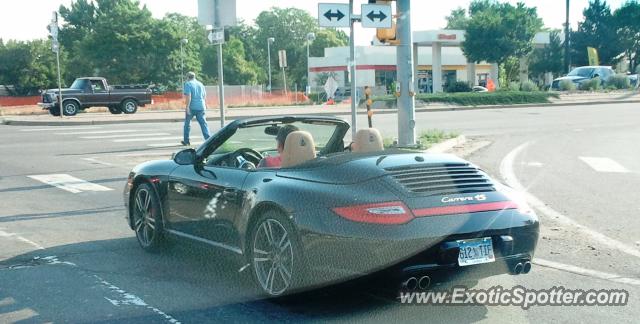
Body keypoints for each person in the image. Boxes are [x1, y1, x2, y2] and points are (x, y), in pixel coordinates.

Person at [182, 71, 211, 146]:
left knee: (187, 124)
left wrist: (187, 107)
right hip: (201, 106)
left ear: (187, 77)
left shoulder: (188, 84)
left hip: (192, 107)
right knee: (203, 124)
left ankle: (186, 141)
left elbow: (189, 96)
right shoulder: (200, 84)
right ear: (194, 77)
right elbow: (204, 96)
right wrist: (205, 105)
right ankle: (208, 140)